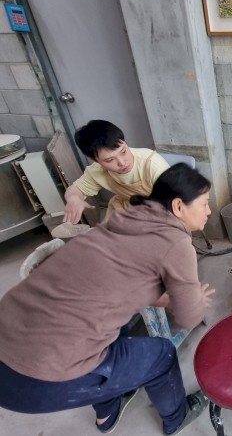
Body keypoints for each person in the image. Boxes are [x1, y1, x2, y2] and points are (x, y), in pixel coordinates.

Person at [0, 163, 215, 435]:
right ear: (178, 207)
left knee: (116, 328)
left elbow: (123, 287)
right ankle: (176, 418)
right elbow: (188, 317)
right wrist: (193, 298)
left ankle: (107, 412)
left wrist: (167, 298)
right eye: (205, 203)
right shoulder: (176, 243)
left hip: (9, 333)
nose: (209, 211)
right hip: (34, 377)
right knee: (161, 355)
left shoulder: (126, 218)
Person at [63, 119, 170, 224]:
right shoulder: (97, 170)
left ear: (124, 142)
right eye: (109, 160)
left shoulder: (152, 163)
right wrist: (73, 198)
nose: (122, 162)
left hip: (161, 210)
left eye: (123, 151)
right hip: (126, 207)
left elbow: (176, 202)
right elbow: (75, 189)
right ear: (95, 160)